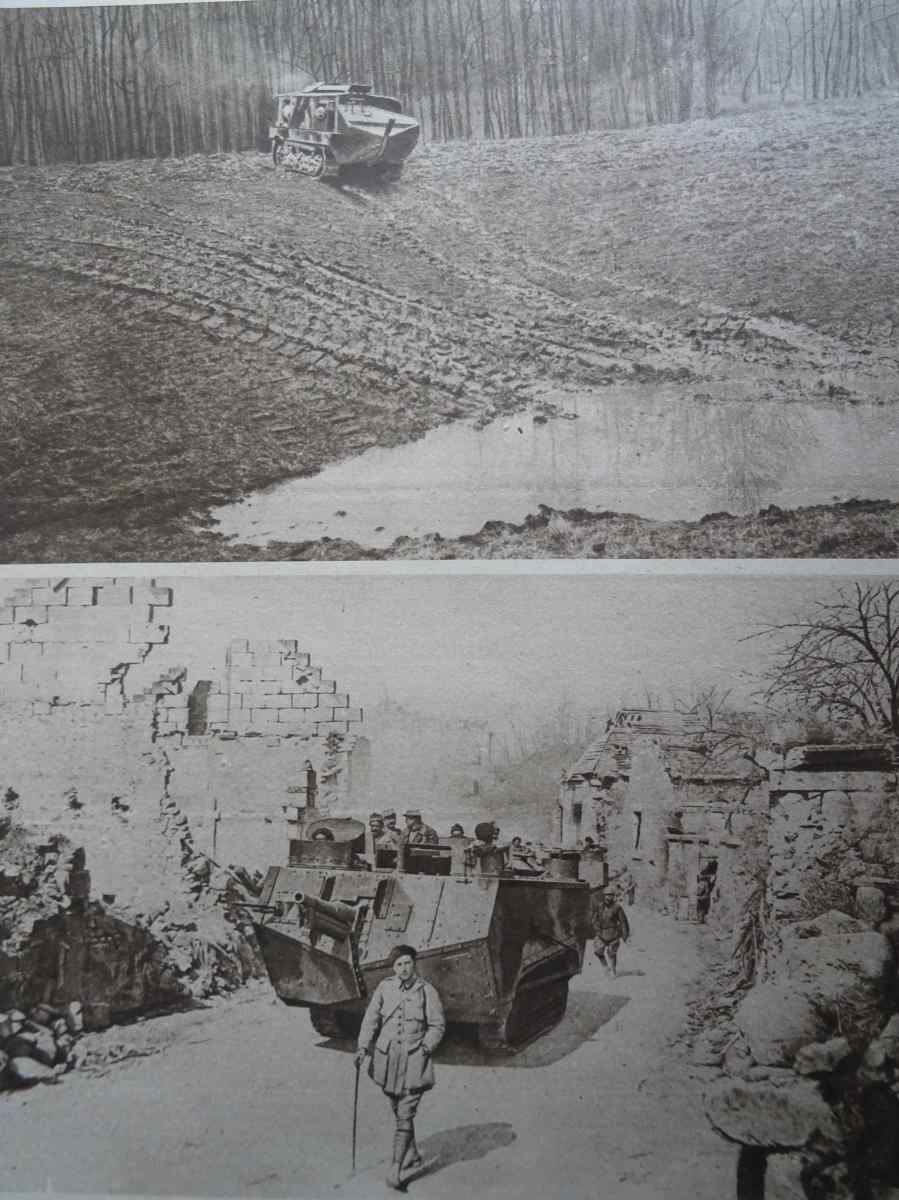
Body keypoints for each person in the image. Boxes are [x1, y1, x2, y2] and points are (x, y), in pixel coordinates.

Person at [354, 945, 446, 1189]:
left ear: (414, 964)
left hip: (413, 1059)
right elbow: (371, 1019)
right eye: (399, 964)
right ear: (393, 968)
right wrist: (362, 1047)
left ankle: (395, 1169)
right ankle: (412, 1154)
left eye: (407, 963)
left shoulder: (426, 991)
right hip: (387, 1060)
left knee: (405, 1113)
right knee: (397, 1108)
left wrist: (425, 1047)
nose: (404, 969)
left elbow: (437, 1025)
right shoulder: (385, 988)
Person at [593, 890, 630, 976]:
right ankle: (605, 967)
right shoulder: (600, 906)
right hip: (601, 933)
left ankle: (613, 970)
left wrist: (625, 935)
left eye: (610, 895)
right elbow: (594, 919)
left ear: (613, 897)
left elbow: (623, 922)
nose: (607, 897)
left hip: (613, 934)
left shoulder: (617, 908)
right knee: (597, 951)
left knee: (611, 952)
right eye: (606, 895)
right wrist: (596, 928)